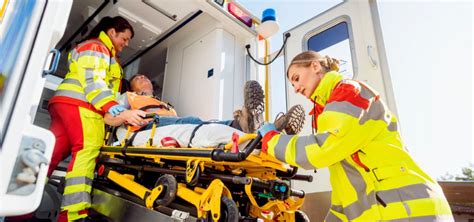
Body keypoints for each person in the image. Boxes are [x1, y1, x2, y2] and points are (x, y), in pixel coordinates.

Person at [257, 51, 453, 221]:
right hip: (395, 208)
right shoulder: (329, 111)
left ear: (315, 66)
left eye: (296, 78)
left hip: (410, 207)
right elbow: (345, 198)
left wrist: (272, 140)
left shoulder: (349, 92)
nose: (296, 89)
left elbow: (322, 149)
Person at [47, 16, 145, 222]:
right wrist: (118, 111)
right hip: (80, 105)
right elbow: (94, 83)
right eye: (124, 38)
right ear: (111, 32)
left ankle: (20, 207)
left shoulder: (101, 51)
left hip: (66, 104)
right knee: (87, 150)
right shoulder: (97, 47)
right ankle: (74, 215)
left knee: (50, 156)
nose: (126, 44)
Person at [105, 74, 306, 135]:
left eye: (144, 76)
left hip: (169, 124)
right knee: (194, 121)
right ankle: (247, 124)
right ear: (131, 85)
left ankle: (266, 129)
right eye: (138, 77)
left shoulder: (165, 104)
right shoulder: (128, 97)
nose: (143, 78)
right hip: (146, 127)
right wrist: (125, 115)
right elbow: (107, 117)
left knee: (201, 123)